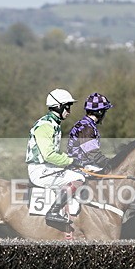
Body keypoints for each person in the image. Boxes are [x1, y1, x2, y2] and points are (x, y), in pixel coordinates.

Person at [26, 88, 85, 226]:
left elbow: (55, 154)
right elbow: (49, 155)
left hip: (47, 168)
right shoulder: (46, 125)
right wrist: (71, 161)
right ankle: (53, 211)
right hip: (40, 170)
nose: (69, 110)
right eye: (67, 106)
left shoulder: (54, 124)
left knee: (80, 173)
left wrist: (71, 162)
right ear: (58, 107)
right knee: (79, 178)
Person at [67, 92, 113, 171]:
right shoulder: (86, 128)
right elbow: (93, 155)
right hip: (80, 169)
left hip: (85, 166)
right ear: (100, 112)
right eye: (105, 112)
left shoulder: (87, 124)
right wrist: (112, 163)